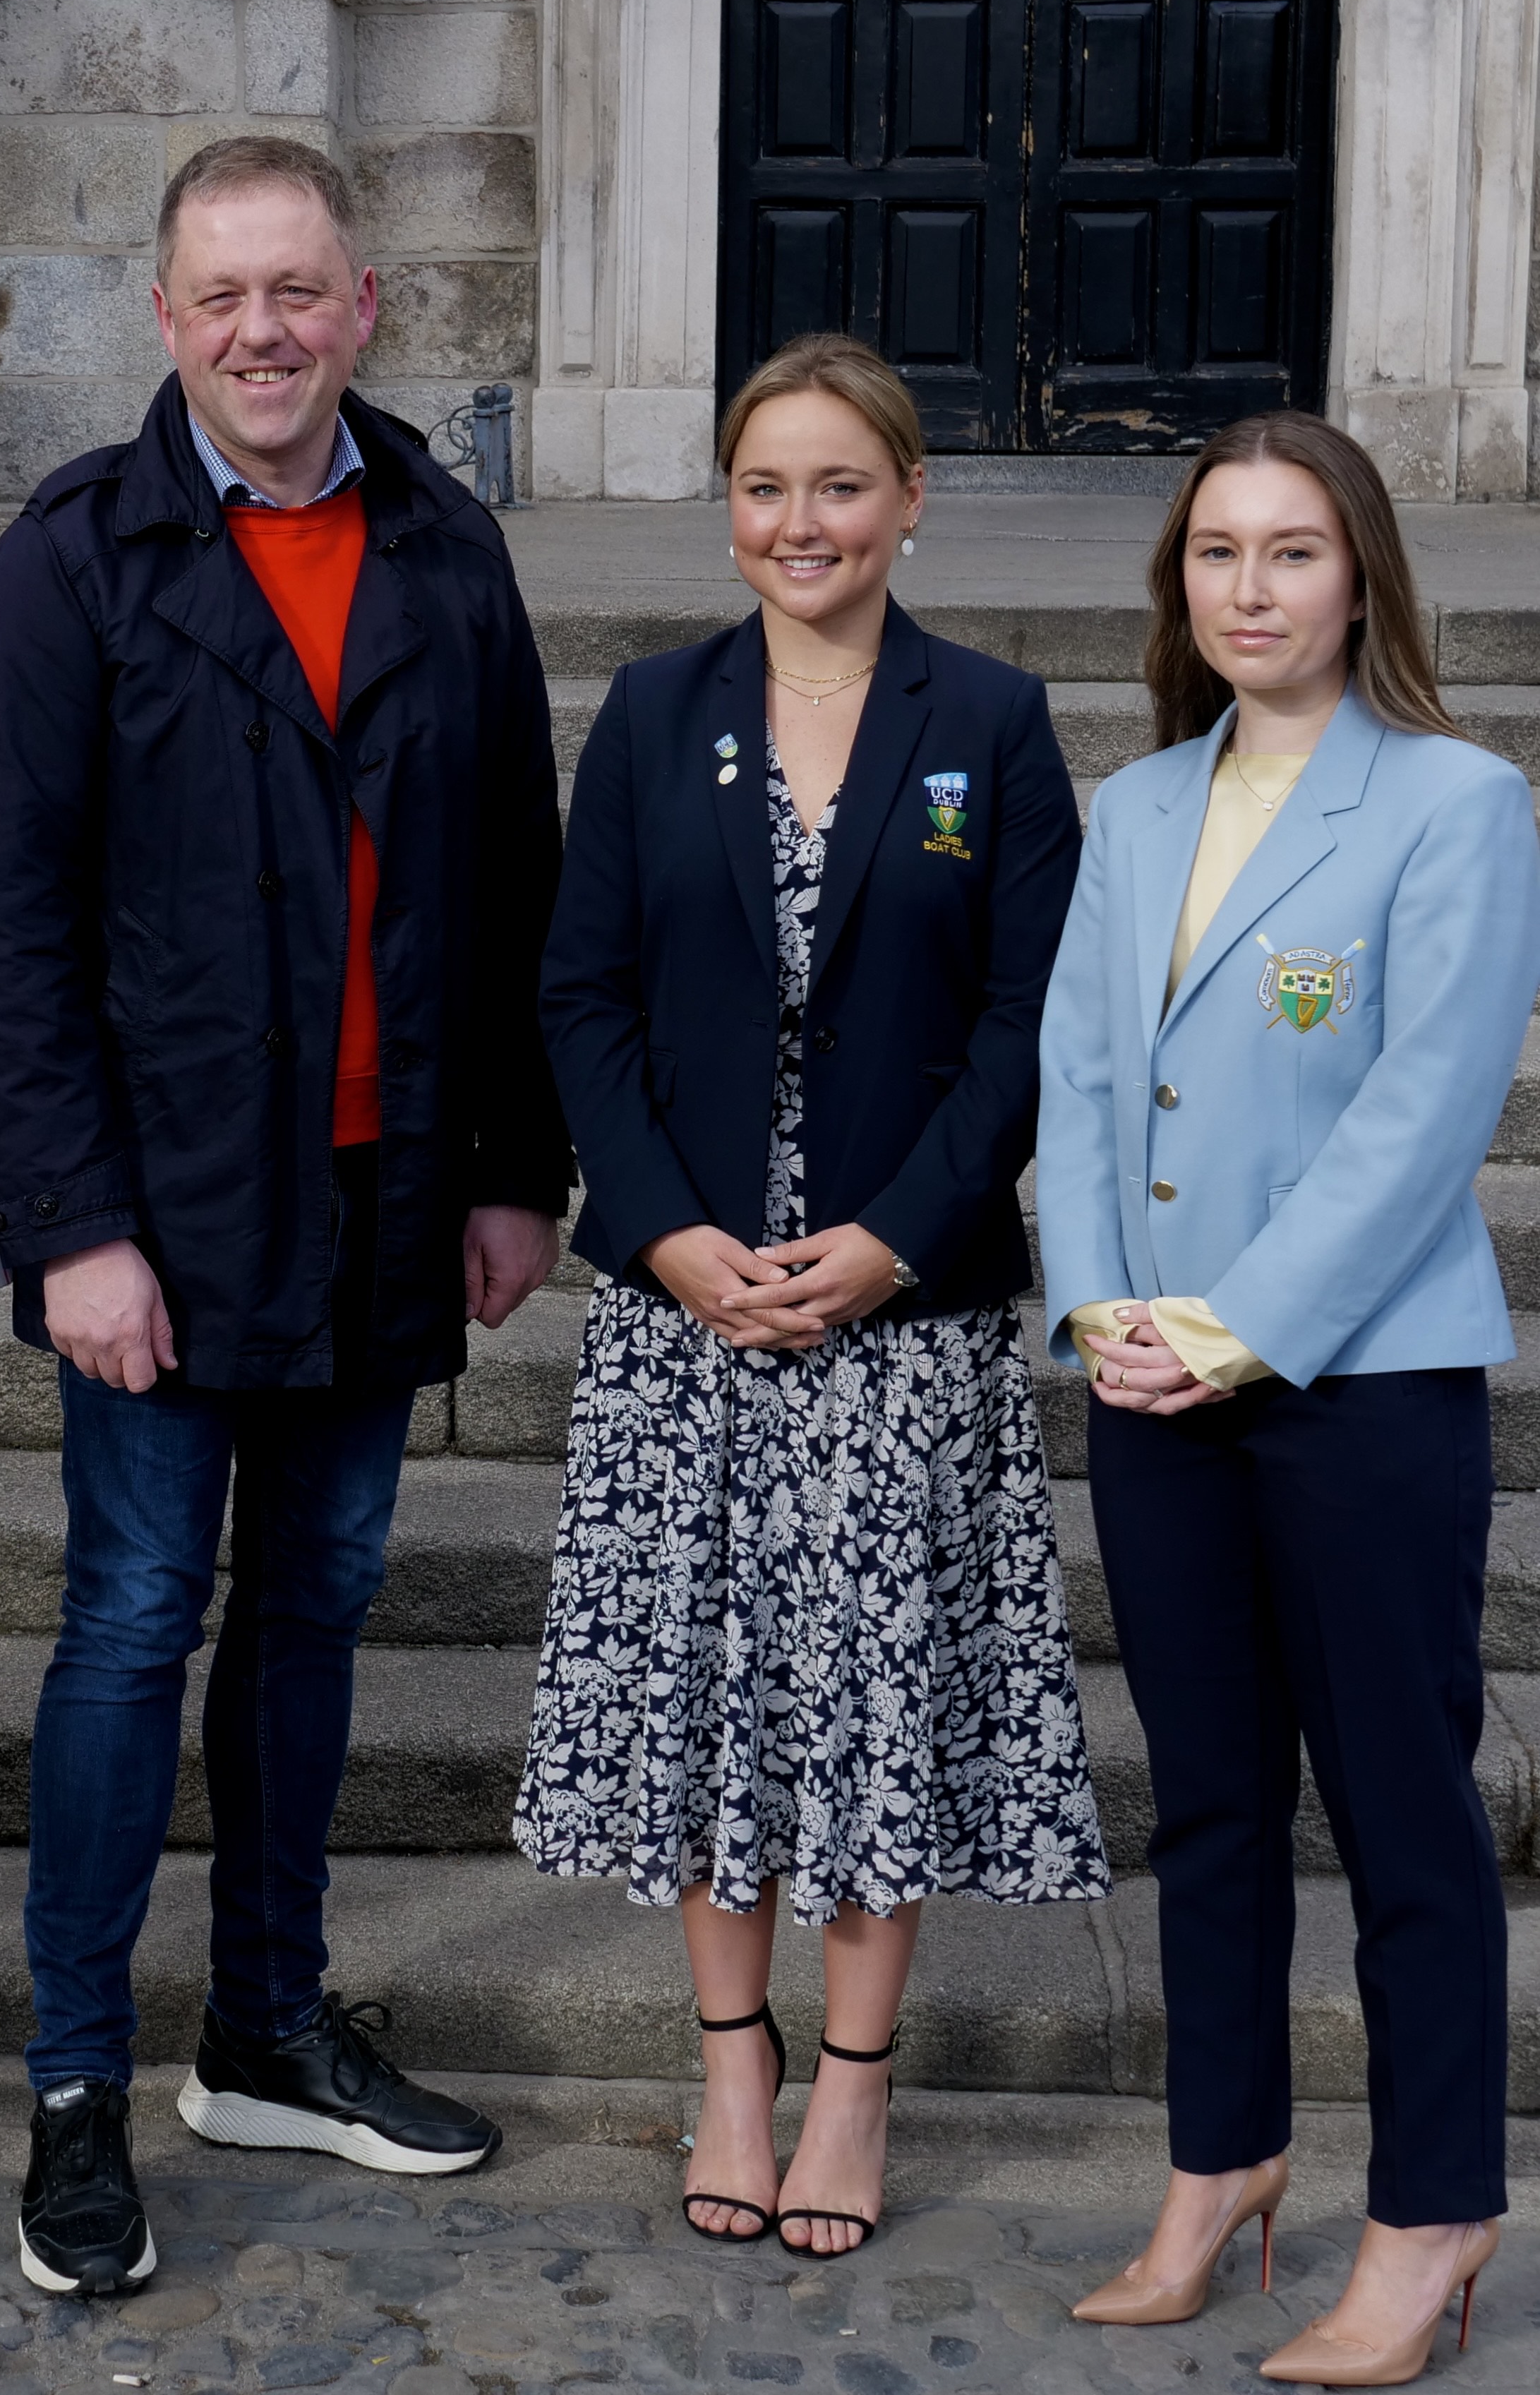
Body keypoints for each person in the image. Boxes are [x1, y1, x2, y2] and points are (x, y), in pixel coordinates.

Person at [0, 136, 569, 2298]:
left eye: (298, 290)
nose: (263, 332)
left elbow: (514, 891)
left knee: (317, 1613)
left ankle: (271, 2031)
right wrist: (72, 1229)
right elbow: (9, 938)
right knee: (132, 1628)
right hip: (165, 1219)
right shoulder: (71, 563)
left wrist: (516, 1171)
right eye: (222, 296)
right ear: (164, 318)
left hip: (386, 1206)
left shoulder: (447, 544)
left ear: (368, 303)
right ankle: (72, 2087)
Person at [519, 334, 1108, 2260]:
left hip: (899, 1315)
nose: (801, 523)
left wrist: (896, 1239)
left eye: (841, 485)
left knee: (870, 1703)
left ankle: (854, 2086)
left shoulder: (994, 723)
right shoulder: (652, 707)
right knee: (707, 1702)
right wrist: (670, 1235)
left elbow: (1034, 1023)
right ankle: (733, 2069)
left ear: (911, 499)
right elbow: (580, 995)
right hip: (691, 1317)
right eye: (767, 486)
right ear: (730, 505)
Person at [1040, 412, 1533, 2382]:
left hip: (1358, 1383)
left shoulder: (1457, 803)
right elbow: (1081, 1077)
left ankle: (1429, 2217)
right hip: (1149, 1384)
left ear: (1364, 576)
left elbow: (1425, 1122)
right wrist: (1100, 1312)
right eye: (1217, 554)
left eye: (1293, 553)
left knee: (1402, 1810)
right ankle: (1219, 2165)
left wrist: (1235, 1323)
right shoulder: (1138, 806)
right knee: (1214, 1807)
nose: (1250, 590)